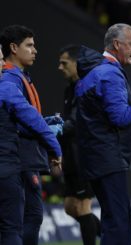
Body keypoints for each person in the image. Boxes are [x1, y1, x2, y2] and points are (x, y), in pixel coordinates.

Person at [75, 23, 131, 245]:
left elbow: (103, 118)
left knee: (112, 220)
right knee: (119, 224)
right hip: (108, 158)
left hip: (95, 157)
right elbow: (119, 117)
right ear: (117, 44)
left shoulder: (93, 73)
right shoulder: (110, 73)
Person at [0, 25, 58, 245]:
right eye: (30, 45)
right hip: (19, 158)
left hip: (21, 158)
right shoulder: (11, 80)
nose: (35, 50)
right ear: (13, 48)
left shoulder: (20, 77)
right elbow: (18, 122)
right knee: (28, 218)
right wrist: (48, 133)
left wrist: (46, 123)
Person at [58, 44, 100, 245]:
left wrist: (52, 129)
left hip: (84, 158)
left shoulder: (85, 87)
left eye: (64, 63)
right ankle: (112, 232)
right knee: (69, 206)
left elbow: (76, 123)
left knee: (83, 207)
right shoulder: (69, 90)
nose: (60, 67)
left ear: (77, 64)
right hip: (70, 158)